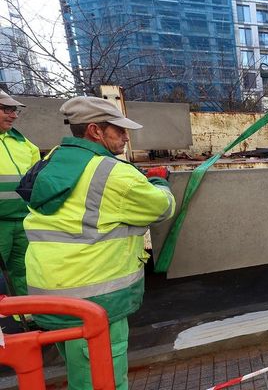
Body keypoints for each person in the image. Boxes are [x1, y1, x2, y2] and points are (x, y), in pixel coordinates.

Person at [19, 96, 176, 390]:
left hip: (50, 296)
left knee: (81, 378)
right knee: (103, 383)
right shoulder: (114, 173)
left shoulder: (53, 158)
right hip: (94, 301)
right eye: (119, 129)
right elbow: (162, 208)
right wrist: (159, 182)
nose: (127, 137)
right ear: (95, 131)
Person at [0, 91, 40, 302]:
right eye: (7, 109)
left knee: (23, 271)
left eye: (14, 110)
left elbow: (35, 179)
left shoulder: (23, 143)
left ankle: (25, 315)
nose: (14, 115)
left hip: (22, 219)